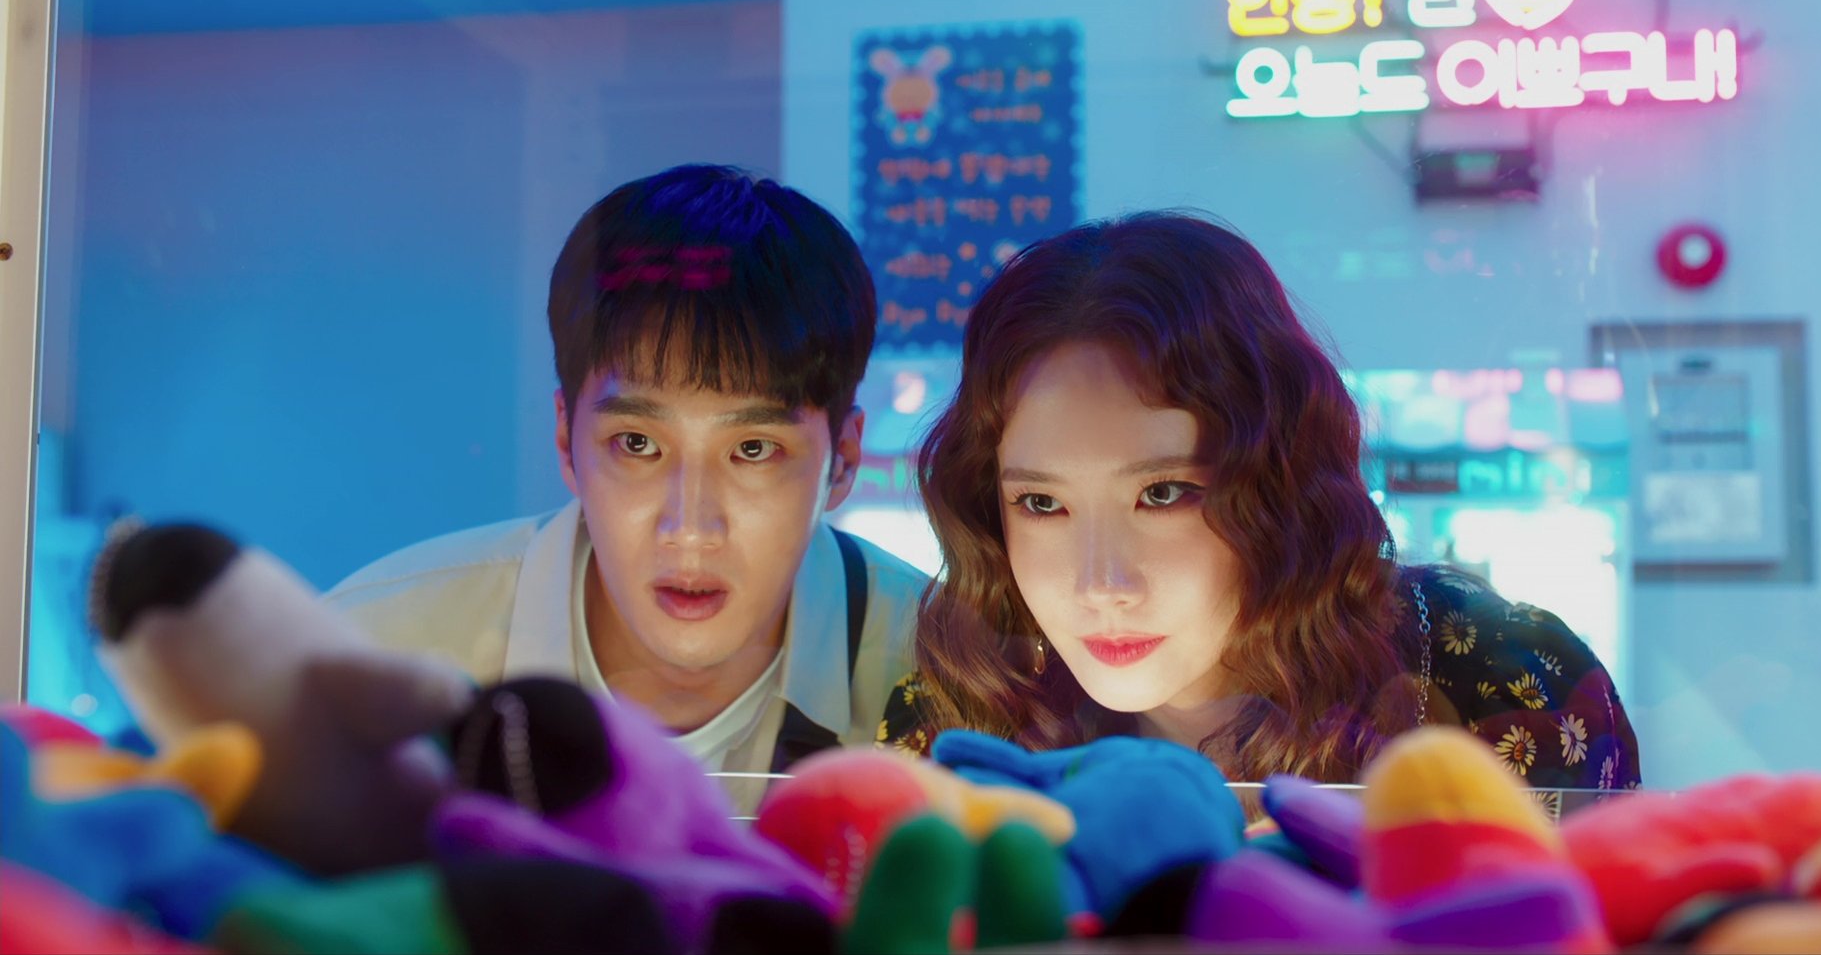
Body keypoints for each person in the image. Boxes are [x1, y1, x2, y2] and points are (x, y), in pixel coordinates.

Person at [879, 212, 1640, 803]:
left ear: (1278, 482)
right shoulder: (961, 717)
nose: (1100, 584)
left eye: (1163, 494)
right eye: (1042, 503)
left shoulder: (1493, 676)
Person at [328, 165, 930, 812]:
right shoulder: (377, 655)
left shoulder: (954, 675)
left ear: (843, 461)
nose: (690, 528)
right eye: (638, 444)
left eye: (753, 450)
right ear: (567, 440)